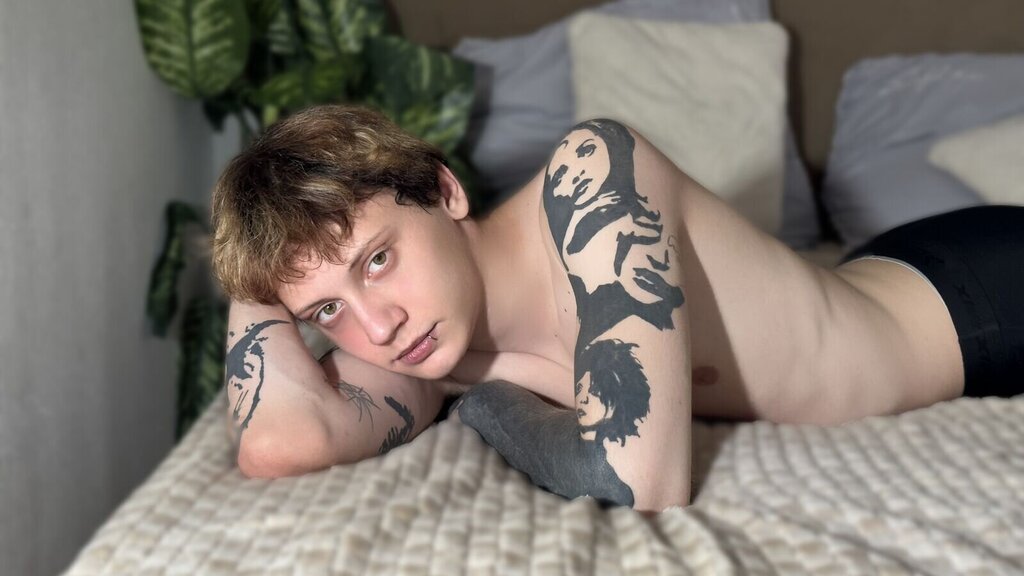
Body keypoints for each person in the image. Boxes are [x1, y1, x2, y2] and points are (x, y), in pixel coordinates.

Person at [211, 105, 1024, 512]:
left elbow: (637, 481)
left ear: (445, 191)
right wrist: (255, 271)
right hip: (877, 274)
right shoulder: (418, 342)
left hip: (975, 303)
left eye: (379, 259)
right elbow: (279, 444)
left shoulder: (590, 175)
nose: (377, 326)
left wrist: (486, 402)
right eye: (326, 311)